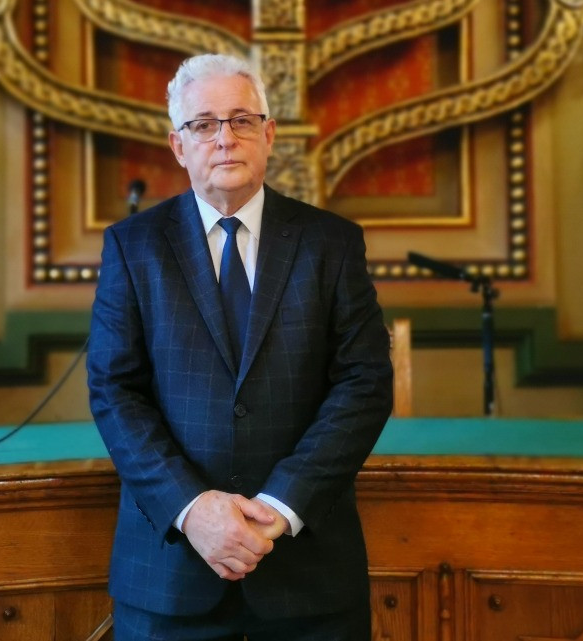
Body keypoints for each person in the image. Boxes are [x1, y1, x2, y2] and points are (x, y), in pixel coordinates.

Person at [87, 53, 394, 640]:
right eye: (203, 124)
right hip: (171, 572)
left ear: (268, 134)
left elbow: (365, 383)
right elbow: (114, 391)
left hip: (308, 573)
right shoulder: (133, 247)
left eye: (241, 121)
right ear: (178, 146)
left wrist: (283, 504)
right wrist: (192, 509)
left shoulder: (331, 243)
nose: (224, 138)